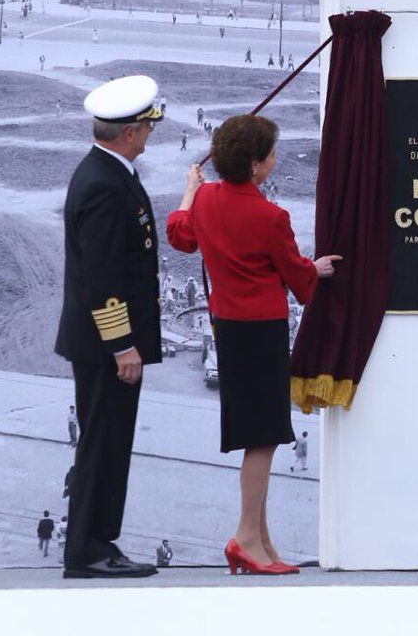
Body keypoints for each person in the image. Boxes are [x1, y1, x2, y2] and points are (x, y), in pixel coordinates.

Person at [166, 115, 341, 576]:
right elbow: (298, 280)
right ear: (257, 166)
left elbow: (180, 235)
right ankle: (245, 538)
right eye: (270, 155)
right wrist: (314, 269)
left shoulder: (204, 199)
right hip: (262, 330)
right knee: (263, 438)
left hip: (229, 328)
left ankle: (262, 541)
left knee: (258, 434)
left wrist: (189, 189)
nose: (274, 160)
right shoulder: (271, 216)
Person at [55, 75, 163, 580]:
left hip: (103, 342)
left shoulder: (109, 171)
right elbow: (102, 279)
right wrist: (123, 345)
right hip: (106, 346)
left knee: (107, 441)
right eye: (146, 127)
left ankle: (95, 543)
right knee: (102, 442)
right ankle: (89, 550)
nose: (149, 134)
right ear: (130, 133)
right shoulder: (102, 184)